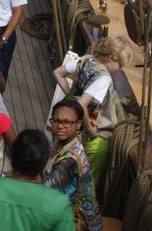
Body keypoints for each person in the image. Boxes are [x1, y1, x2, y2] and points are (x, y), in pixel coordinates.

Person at [52, 35, 133, 187]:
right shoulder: (104, 78)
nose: (120, 69)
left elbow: (58, 72)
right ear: (111, 57)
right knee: (88, 181)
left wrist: (71, 96)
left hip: (71, 129)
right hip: (92, 137)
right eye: (120, 64)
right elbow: (82, 105)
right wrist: (90, 130)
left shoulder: (86, 60)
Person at [42, 99, 103, 231]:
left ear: (79, 124)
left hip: (74, 221)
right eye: (56, 120)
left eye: (67, 122)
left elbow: (44, 191)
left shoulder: (70, 159)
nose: (60, 126)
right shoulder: (62, 141)